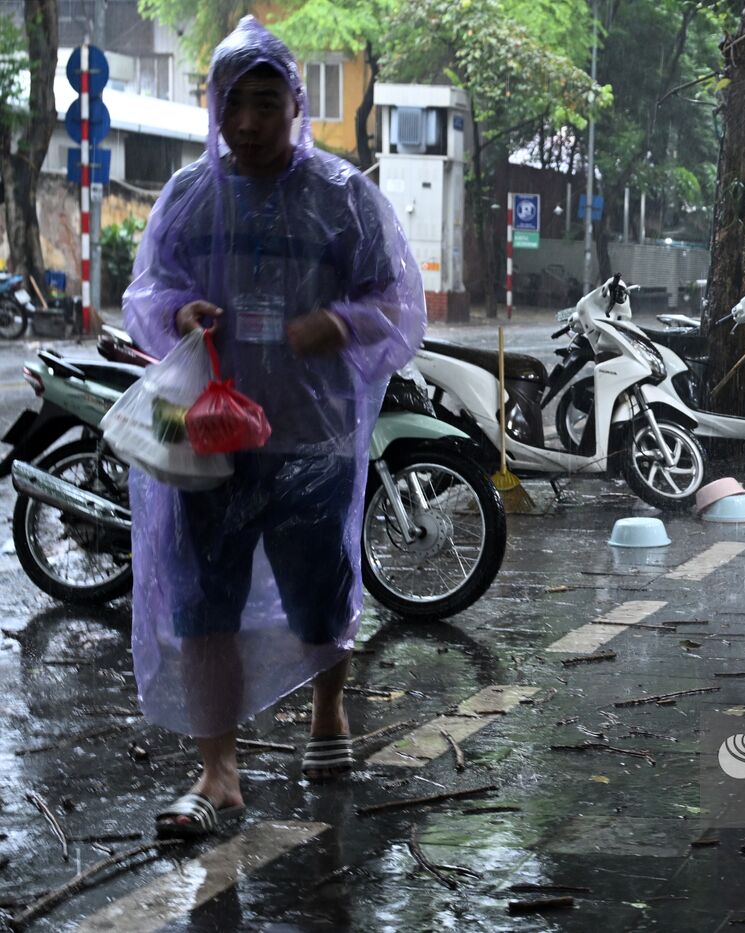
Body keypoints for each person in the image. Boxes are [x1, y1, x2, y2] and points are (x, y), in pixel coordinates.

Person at [123, 17, 427, 838]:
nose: (248, 123)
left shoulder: (343, 197)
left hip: (310, 433)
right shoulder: (190, 196)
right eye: (233, 104)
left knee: (318, 592)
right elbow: (149, 294)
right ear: (213, 108)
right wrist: (178, 312)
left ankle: (329, 709)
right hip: (211, 438)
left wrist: (342, 322)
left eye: (266, 103)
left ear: (297, 104)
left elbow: (400, 303)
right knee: (204, 601)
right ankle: (218, 770)